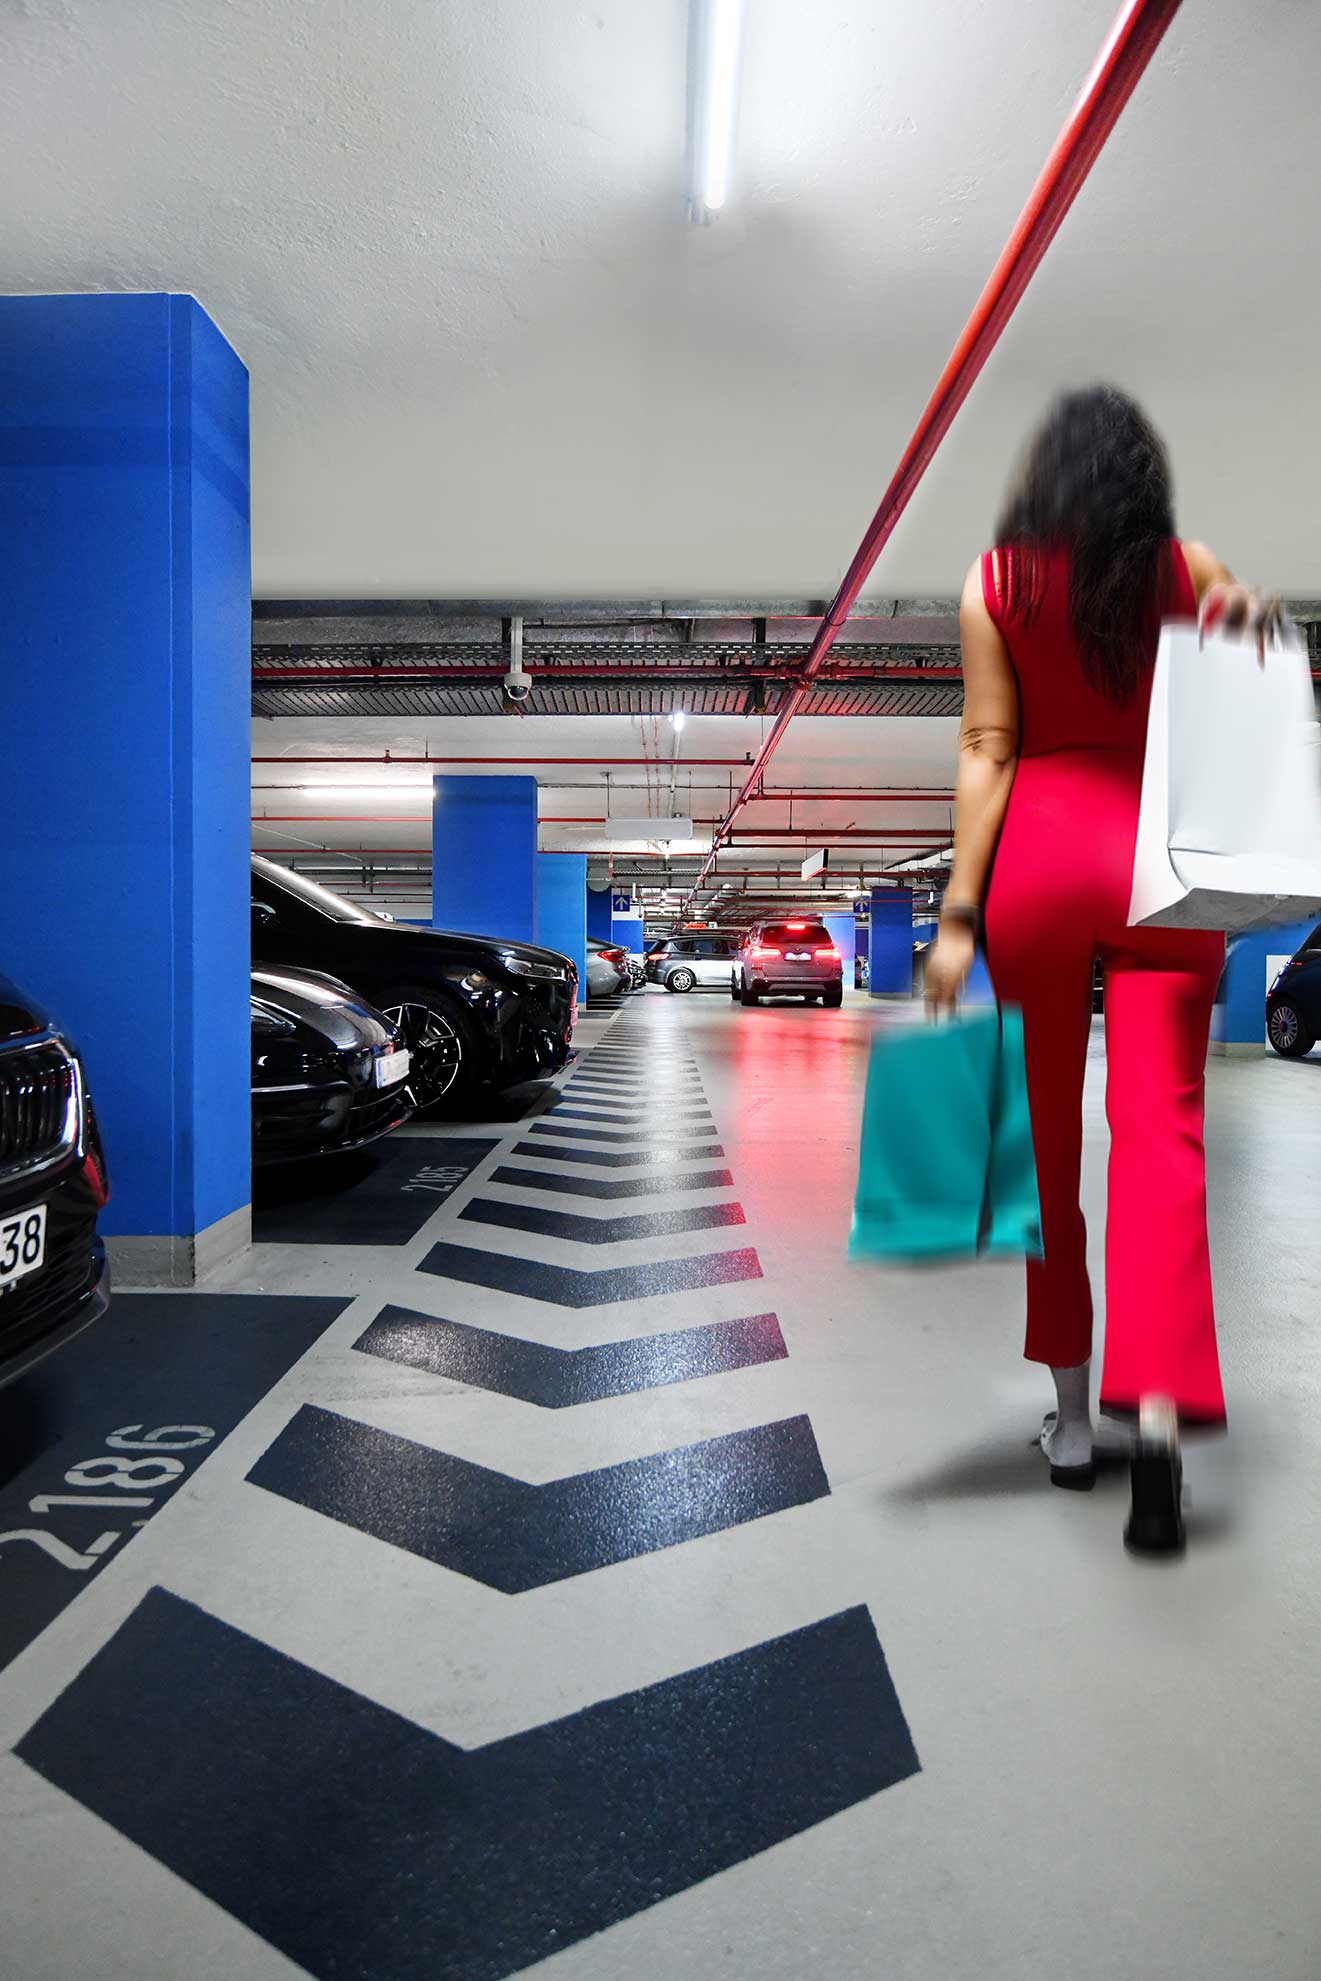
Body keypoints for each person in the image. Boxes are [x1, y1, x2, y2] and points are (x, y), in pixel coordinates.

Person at [924, 385, 1281, 1558]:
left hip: (1039, 860)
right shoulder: (1193, 564)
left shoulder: (996, 582)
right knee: (1160, 1140)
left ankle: (1074, 1426)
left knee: (1042, 1144)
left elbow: (988, 746)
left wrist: (958, 914)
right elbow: (1244, 691)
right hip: (1163, 869)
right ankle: (1163, 1424)